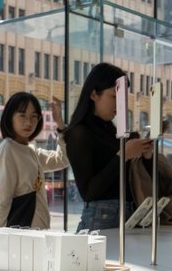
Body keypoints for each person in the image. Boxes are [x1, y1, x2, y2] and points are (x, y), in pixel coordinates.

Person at [63, 62, 154, 231]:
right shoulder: (79, 133)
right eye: (114, 97)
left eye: (123, 99)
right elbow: (88, 192)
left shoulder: (112, 131)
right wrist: (123, 156)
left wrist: (145, 155)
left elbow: (130, 180)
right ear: (93, 95)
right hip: (101, 218)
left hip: (128, 215)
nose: (119, 105)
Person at [0, 92, 68, 230]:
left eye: (34, 116)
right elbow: (1, 200)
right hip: (22, 238)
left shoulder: (31, 151)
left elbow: (62, 159)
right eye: (22, 115)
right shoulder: (8, 150)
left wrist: (60, 124)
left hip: (37, 235)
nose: (29, 122)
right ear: (10, 117)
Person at [126, 131, 172, 225]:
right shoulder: (131, 163)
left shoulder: (151, 160)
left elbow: (165, 183)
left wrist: (148, 157)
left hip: (147, 212)